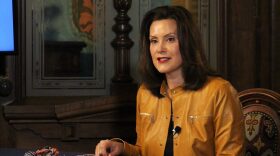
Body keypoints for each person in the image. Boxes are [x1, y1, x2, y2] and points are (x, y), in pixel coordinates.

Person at [95, 5, 245, 156]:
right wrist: (122, 148)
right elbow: (144, 151)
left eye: (170, 39)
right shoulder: (145, 93)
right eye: (154, 41)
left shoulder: (220, 91)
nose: (160, 48)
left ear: (188, 42)